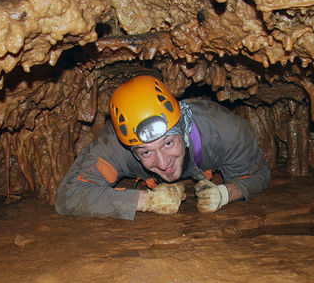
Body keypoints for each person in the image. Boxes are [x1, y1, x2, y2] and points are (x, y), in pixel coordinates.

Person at [55, 75, 270, 220]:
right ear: (131, 150)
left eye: (168, 143)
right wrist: (146, 201)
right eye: (146, 152)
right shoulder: (117, 145)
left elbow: (259, 175)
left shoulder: (225, 132)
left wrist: (226, 193)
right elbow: (69, 195)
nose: (163, 162)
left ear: (184, 129)